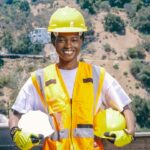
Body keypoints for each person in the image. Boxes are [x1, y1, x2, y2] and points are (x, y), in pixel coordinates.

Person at [9, 6, 135, 150]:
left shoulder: (98, 76)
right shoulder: (40, 79)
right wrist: (15, 133)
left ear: (81, 40)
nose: (68, 45)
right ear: (53, 41)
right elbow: (15, 112)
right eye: (62, 40)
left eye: (74, 39)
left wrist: (129, 133)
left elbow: (125, 107)